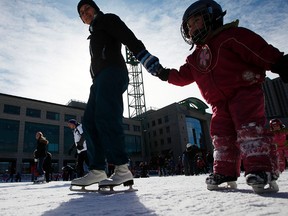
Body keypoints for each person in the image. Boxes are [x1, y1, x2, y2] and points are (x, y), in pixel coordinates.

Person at [148, 0, 288, 193]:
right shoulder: (195, 58)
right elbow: (182, 76)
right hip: (218, 104)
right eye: (188, 26)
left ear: (211, 17)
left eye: (196, 21)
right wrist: (163, 73)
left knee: (249, 130)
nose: (192, 28)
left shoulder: (230, 37)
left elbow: (256, 50)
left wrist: (278, 62)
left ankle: (262, 169)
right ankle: (225, 171)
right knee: (221, 137)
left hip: (244, 92)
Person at [71, 0, 162, 189]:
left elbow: (127, 36)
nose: (85, 13)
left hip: (113, 73)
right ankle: (97, 170)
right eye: (81, 12)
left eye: (87, 8)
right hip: (98, 81)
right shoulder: (95, 33)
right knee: (88, 121)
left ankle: (122, 169)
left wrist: (144, 56)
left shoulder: (107, 20)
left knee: (106, 117)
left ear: (95, 8)